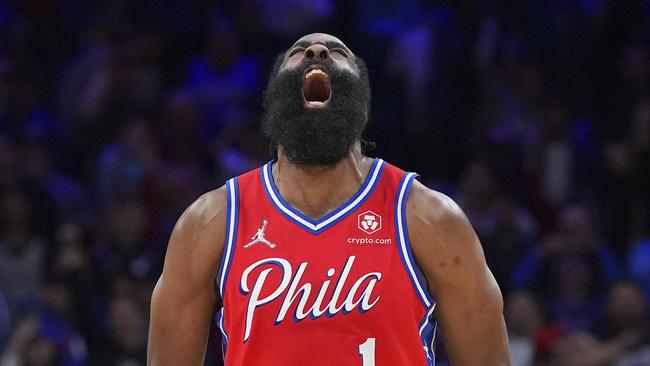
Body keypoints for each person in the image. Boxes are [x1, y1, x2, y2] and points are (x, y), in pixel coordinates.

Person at [148, 33, 509, 365]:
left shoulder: (428, 217)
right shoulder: (211, 221)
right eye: (298, 52)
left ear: (362, 102)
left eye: (337, 52)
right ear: (274, 99)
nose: (317, 51)